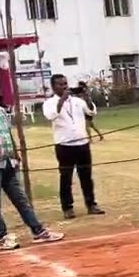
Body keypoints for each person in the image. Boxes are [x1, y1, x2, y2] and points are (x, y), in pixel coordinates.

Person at [0, 80, 63, 251]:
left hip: (8, 163)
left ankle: (38, 231)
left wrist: (16, 155)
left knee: (21, 199)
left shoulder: (0, 111)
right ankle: (2, 237)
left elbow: (7, 134)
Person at [43, 74, 104, 219]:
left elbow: (91, 112)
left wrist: (87, 98)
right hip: (64, 145)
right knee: (66, 178)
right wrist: (62, 100)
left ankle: (91, 204)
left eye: (65, 83)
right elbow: (51, 115)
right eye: (60, 84)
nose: (64, 87)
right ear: (53, 87)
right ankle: (67, 208)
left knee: (86, 177)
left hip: (82, 144)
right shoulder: (49, 103)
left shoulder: (77, 101)